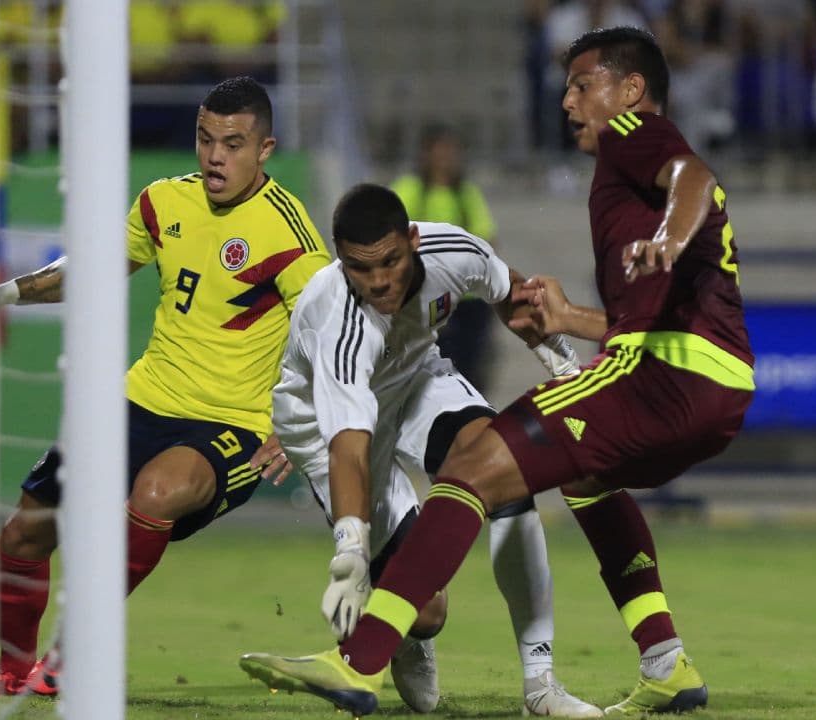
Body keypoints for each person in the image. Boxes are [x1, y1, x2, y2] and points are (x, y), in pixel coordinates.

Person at [238, 27, 752, 717]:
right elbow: (657, 317)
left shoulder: (636, 131)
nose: (567, 98)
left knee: (473, 466)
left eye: (582, 84)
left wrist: (666, 238)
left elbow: (695, 177)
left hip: (665, 378)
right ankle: (666, 661)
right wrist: (571, 320)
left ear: (630, 91)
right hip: (712, 386)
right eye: (566, 85)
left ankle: (359, 664)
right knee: (583, 477)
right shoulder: (623, 178)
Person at [0, 76, 331, 697]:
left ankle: (75, 655)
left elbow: (332, 330)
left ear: (265, 150)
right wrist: (5, 295)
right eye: (205, 140)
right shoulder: (163, 202)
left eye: (233, 144)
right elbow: (89, 269)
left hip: (232, 425)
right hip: (139, 401)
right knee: (24, 534)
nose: (214, 157)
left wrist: (300, 421)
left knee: (156, 492)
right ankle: (13, 674)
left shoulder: (288, 231)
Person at [258, 183, 601, 717]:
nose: (378, 282)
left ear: (413, 240)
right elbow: (349, 445)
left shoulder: (454, 251)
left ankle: (540, 683)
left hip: (416, 379)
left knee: (506, 473)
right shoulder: (340, 324)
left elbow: (506, 291)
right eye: (359, 268)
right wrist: (350, 549)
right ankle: (413, 637)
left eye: (390, 262)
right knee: (427, 613)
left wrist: (562, 367)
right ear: (338, 259)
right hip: (320, 426)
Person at [390, 124, 499, 391]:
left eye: (451, 153)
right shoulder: (409, 189)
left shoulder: (466, 194)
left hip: (467, 300)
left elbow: (487, 240)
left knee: (468, 375)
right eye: (440, 153)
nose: (446, 160)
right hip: (426, 299)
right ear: (425, 156)